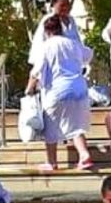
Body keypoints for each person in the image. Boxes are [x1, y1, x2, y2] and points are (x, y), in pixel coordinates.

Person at [26, 14, 93, 170]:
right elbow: (88, 55)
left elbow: (36, 71)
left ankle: (52, 162)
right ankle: (84, 155)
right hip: (79, 90)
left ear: (46, 31)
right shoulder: (73, 44)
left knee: (51, 125)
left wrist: (29, 90)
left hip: (57, 90)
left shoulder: (46, 46)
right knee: (76, 126)